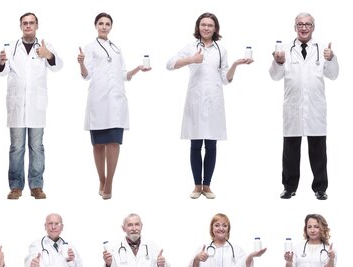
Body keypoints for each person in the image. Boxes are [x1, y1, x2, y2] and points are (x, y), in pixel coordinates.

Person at [166, 12, 252, 199]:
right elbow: (169, 64)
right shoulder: (191, 47)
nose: (206, 28)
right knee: (196, 144)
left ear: (215, 29)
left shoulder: (221, 50)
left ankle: (208, 185)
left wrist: (236, 65)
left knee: (211, 145)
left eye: (210, 25)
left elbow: (225, 80)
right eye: (203, 25)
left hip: (214, 101)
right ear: (198, 27)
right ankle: (197, 186)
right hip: (196, 101)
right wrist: (191, 60)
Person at [77, 12, 150, 200]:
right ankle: (101, 179)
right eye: (100, 23)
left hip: (116, 101)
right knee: (99, 144)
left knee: (114, 143)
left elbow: (124, 74)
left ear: (111, 27)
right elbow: (86, 75)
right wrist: (80, 64)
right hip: (98, 99)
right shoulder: (90, 47)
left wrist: (137, 69)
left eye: (107, 24)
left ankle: (109, 182)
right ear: (95, 26)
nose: (104, 26)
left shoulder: (117, 48)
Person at [269, 13, 338, 200]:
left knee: (318, 152)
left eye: (308, 24)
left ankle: (320, 188)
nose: (304, 27)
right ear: (295, 28)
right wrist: (278, 62)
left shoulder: (324, 49)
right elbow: (274, 76)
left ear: (313, 27)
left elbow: (333, 75)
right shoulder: (283, 49)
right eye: (300, 24)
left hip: (315, 109)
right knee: (290, 151)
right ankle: (289, 187)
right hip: (293, 108)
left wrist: (331, 59)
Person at [0, 12, 63, 200]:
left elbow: (58, 66)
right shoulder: (11, 47)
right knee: (16, 147)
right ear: (20, 26)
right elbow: (0, 72)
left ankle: (37, 186)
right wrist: (1, 62)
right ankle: (15, 186)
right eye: (25, 23)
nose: (28, 26)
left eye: (31, 23)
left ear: (37, 25)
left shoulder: (45, 46)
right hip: (16, 106)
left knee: (37, 146)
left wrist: (48, 54)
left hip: (36, 107)